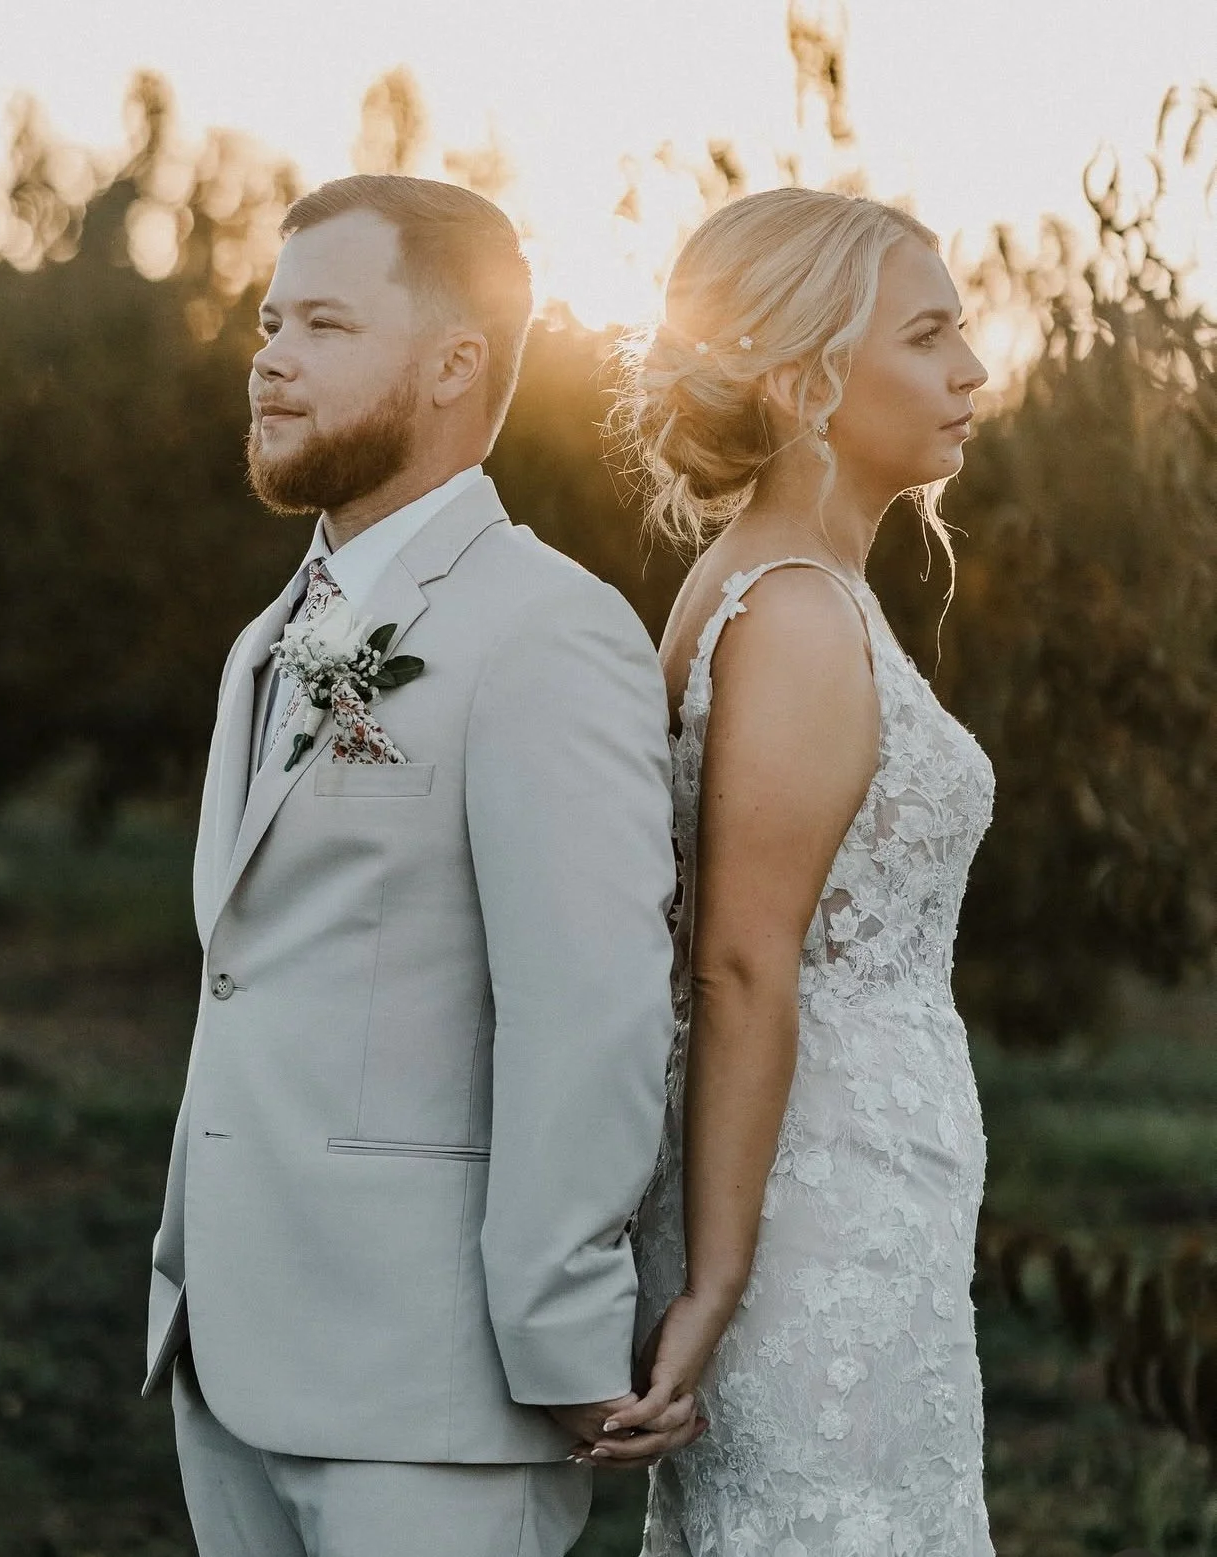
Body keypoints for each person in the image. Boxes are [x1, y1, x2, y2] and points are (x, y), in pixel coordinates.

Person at [143, 173, 699, 1557]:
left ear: (456, 361)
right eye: (269, 320)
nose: (268, 355)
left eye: (322, 324)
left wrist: (566, 1335)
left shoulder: (545, 633)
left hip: (431, 1390)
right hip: (233, 1355)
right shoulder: (277, 630)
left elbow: (591, 1008)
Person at [595, 188, 997, 1554]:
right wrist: (712, 1283)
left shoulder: (769, 580)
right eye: (928, 336)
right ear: (802, 377)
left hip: (856, 1200)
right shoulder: (798, 613)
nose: (969, 371)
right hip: (800, 1220)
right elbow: (737, 959)